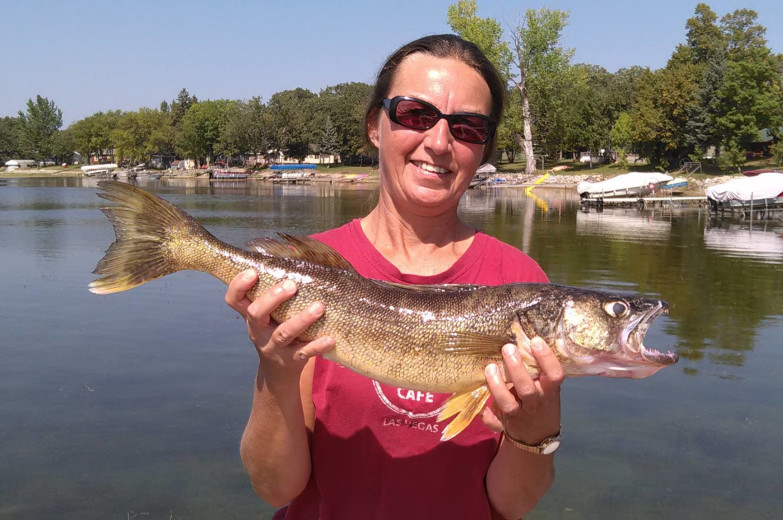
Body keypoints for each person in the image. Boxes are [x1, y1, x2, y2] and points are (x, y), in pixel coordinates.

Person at [225, 34, 564, 520]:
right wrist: (276, 371)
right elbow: (275, 487)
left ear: (484, 148)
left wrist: (534, 429)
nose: (439, 142)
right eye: (415, 115)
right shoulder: (312, 275)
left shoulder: (521, 284)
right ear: (375, 126)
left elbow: (514, 502)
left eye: (468, 126)